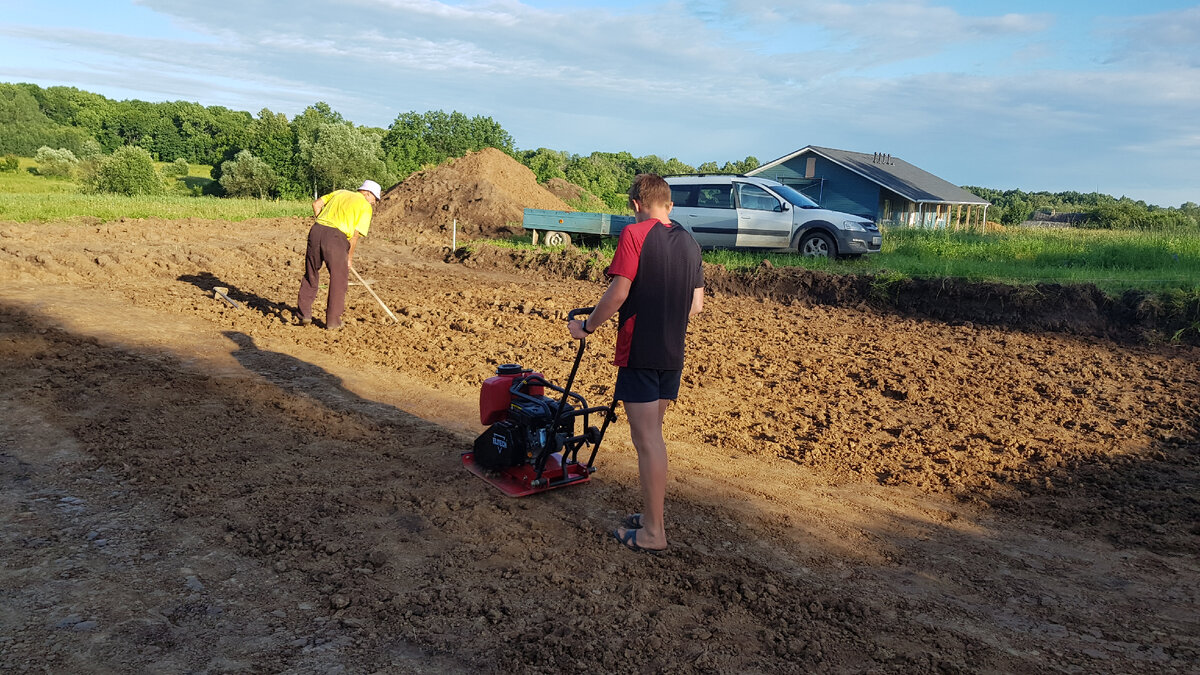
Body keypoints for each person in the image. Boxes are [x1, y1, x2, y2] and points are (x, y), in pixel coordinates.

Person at [568, 173, 704, 553]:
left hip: (640, 351)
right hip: (671, 354)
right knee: (653, 438)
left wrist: (587, 326)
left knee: (647, 442)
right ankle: (650, 517)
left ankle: (654, 533)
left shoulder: (634, 234)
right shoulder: (691, 244)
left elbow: (618, 293)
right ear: (670, 205)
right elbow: (696, 307)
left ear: (635, 205)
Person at [296, 179, 381, 330]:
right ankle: (333, 322)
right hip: (336, 238)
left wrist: (322, 223)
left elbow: (316, 204)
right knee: (338, 279)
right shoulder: (365, 207)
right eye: (375, 199)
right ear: (368, 194)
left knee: (311, 273)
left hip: (316, 231)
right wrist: (349, 258)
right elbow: (355, 236)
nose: (374, 203)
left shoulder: (340, 192)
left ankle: (304, 315)